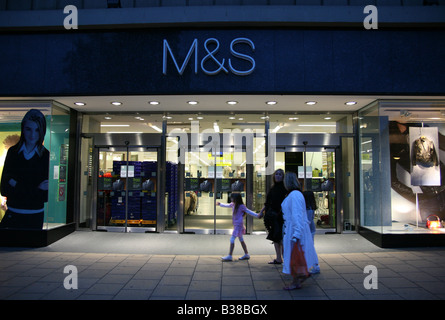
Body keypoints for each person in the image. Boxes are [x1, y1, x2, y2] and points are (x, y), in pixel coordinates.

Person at [0, 109, 49, 230]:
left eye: (37, 130)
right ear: (23, 129)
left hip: (35, 213)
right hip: (14, 211)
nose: (32, 135)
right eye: (28, 129)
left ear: (42, 131)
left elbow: (44, 195)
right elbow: (5, 188)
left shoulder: (45, 155)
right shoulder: (13, 152)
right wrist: (35, 188)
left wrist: (16, 184)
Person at [281, 172, 319, 290]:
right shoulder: (295, 194)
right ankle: (299, 278)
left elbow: (296, 215)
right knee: (297, 256)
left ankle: (297, 280)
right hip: (294, 229)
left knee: (294, 256)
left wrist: (296, 233)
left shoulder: (294, 195)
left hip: (295, 230)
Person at [217, 192, 262, 261]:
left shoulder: (241, 206)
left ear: (235, 198)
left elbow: (248, 211)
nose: (231, 198)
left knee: (232, 239)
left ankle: (230, 255)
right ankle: (246, 254)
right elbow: (227, 205)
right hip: (237, 224)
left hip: (238, 225)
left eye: (232, 197)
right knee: (241, 240)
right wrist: (220, 204)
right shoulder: (233, 204)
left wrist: (257, 215)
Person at [260, 168, 287, 264]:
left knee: (280, 238)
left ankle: (285, 259)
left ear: (283, 177)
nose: (278, 176)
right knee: (275, 238)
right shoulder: (272, 188)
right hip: (272, 216)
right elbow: (267, 202)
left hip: (280, 217)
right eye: (276, 174)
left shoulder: (284, 189)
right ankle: (278, 258)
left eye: (280, 174)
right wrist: (262, 211)